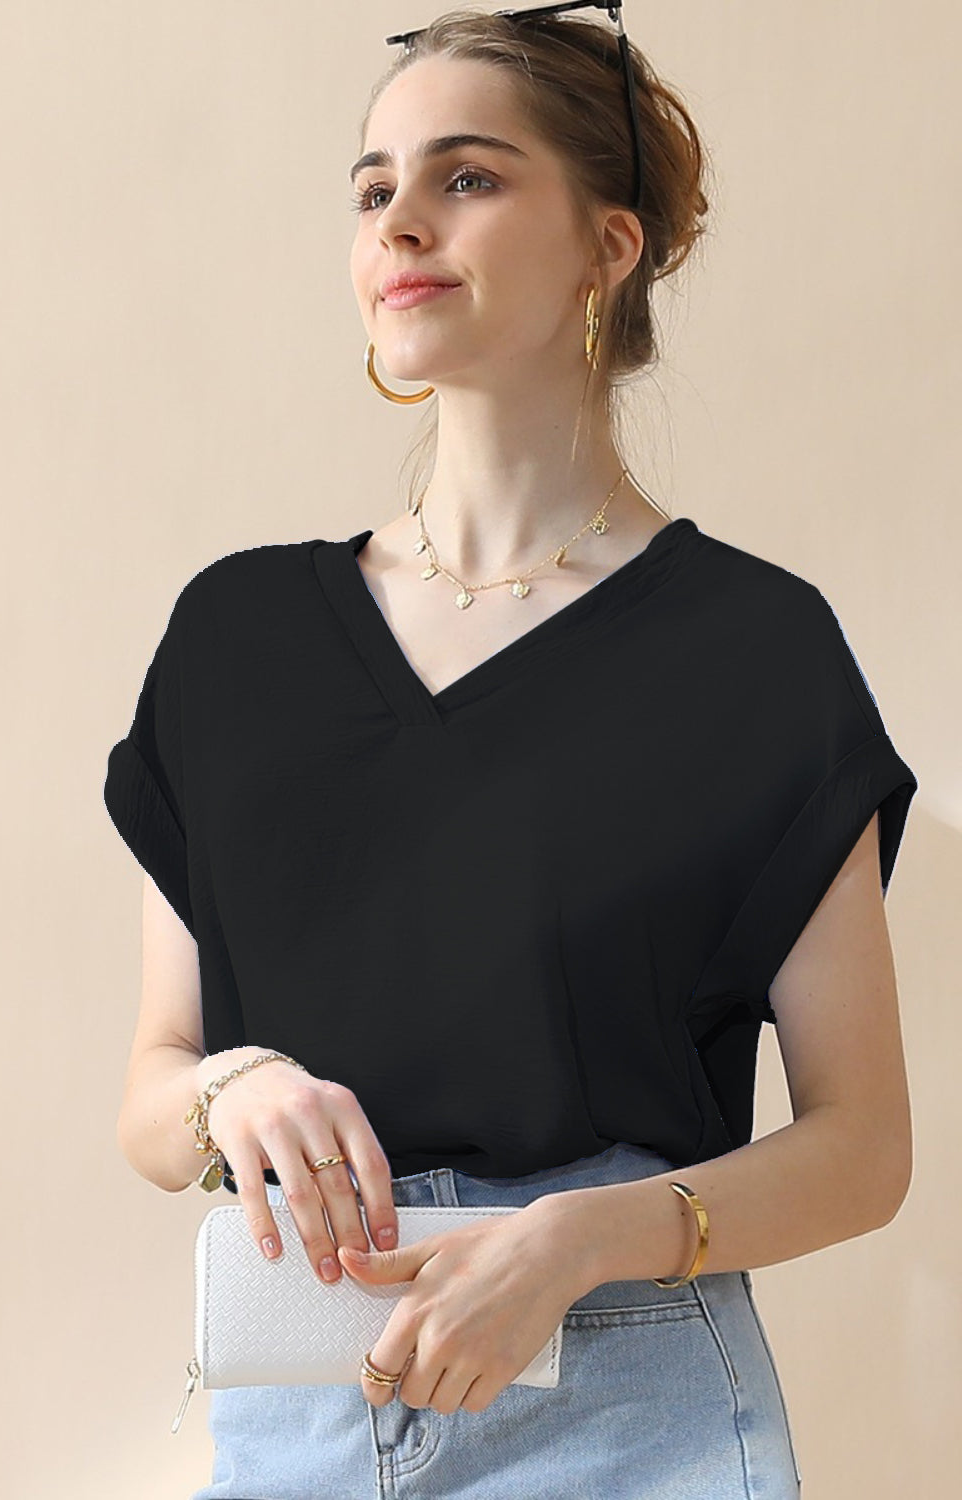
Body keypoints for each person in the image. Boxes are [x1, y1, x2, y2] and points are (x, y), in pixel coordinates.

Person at [104, 7, 918, 1497]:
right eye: (371, 189)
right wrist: (235, 1088)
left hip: (629, 1405)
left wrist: (588, 1239)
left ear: (611, 246)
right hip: (300, 1411)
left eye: (467, 178)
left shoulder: (754, 652)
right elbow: (153, 1098)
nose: (399, 222)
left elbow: (863, 1147)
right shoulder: (237, 641)